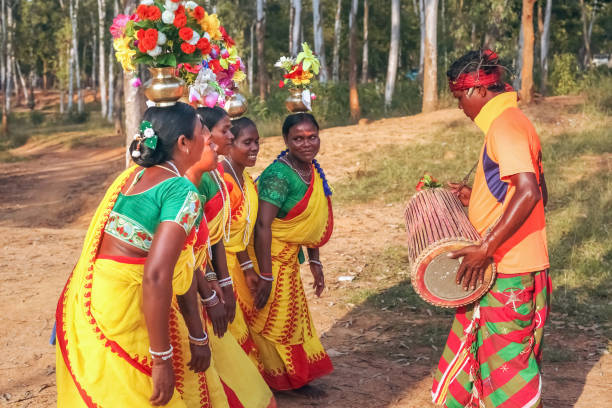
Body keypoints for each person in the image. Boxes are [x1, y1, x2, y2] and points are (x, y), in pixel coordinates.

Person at [56, 103, 213, 407]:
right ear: (183, 143)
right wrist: (161, 360)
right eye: (202, 131)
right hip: (124, 307)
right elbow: (156, 275)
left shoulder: (133, 176)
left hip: (97, 295)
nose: (208, 137)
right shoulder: (180, 190)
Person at [432, 50, 551, 408]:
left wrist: (485, 247)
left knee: (507, 369)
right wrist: (477, 197)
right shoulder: (507, 122)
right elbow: (533, 190)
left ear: (477, 92)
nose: (459, 108)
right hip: (502, 263)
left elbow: (529, 191)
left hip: (509, 267)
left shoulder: (507, 125)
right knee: (487, 357)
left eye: (458, 98)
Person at [187, 107, 276, 408]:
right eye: (226, 130)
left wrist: (223, 283)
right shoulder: (197, 180)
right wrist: (212, 289)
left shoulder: (214, 173)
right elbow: (191, 248)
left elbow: (217, 236)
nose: (230, 135)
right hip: (189, 279)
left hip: (206, 275)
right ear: (202, 135)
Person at [247, 113, 334, 398]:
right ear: (286, 140)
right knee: (274, 320)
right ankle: (274, 379)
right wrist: (266, 274)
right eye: (298, 138)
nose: (307, 144)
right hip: (268, 257)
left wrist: (315, 260)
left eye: (312, 137)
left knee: (292, 319)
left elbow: (311, 223)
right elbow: (262, 225)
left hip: (287, 259)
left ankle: (292, 376)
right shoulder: (279, 176)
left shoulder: (311, 169)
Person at [220, 117, 264, 370]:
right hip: (220, 271)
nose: (255, 148)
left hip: (237, 267)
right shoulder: (221, 181)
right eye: (247, 142)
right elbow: (216, 238)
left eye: (257, 142)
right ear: (229, 144)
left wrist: (248, 269)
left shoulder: (246, 181)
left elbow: (241, 233)